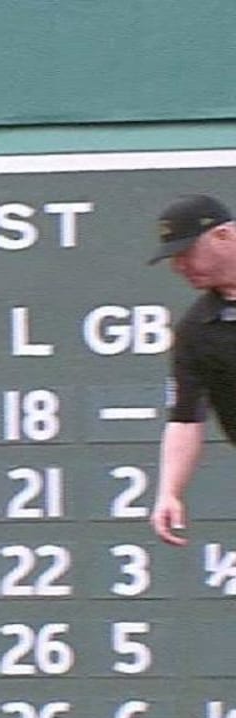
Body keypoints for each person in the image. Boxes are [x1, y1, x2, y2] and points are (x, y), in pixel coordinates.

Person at [146, 194, 236, 546]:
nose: (180, 265)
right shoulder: (198, 330)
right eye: (174, 257)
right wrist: (168, 492)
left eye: (187, 252)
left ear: (224, 236)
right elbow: (185, 419)